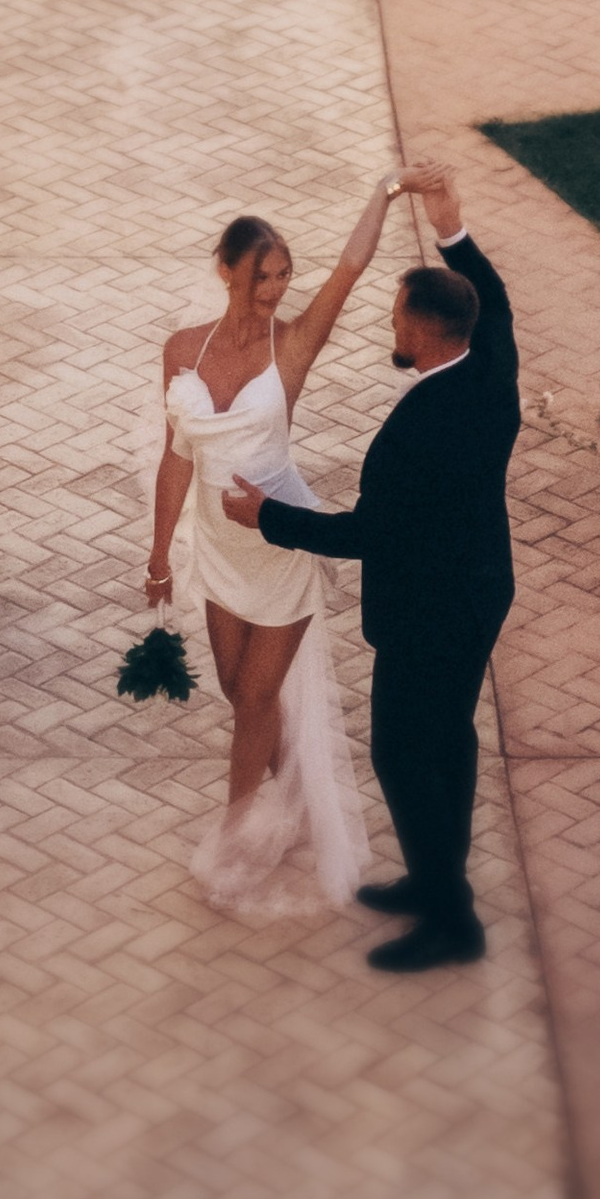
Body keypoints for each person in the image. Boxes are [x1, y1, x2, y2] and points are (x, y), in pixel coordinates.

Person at [222, 159, 517, 971]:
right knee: (447, 744)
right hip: (478, 591)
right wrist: (450, 223)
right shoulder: (491, 369)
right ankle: (434, 884)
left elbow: (366, 537)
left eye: (395, 317)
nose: (390, 327)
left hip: (432, 613)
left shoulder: (426, 432)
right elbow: (493, 294)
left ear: (422, 332)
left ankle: (449, 919)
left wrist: (266, 517)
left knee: (404, 752)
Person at [148, 172, 430, 919]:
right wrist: (157, 553)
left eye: (282, 275)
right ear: (226, 270)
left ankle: (236, 849)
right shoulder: (180, 349)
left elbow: (352, 265)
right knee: (240, 693)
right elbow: (177, 453)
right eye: (261, 275)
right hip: (216, 548)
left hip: (278, 540)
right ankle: (294, 805)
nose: (274, 288)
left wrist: (388, 190)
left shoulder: (294, 347)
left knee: (254, 702)